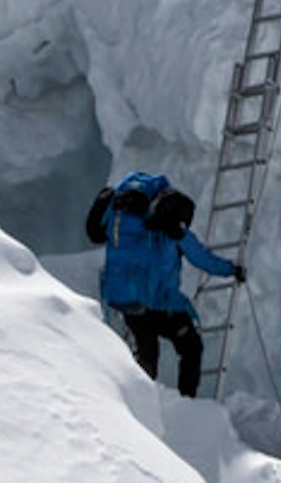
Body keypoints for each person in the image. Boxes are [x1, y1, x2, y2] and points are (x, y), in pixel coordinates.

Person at [84, 169, 240, 397]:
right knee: (191, 347)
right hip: (158, 303)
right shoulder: (170, 227)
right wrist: (232, 270)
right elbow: (201, 258)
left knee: (147, 356)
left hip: (124, 300)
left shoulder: (121, 214)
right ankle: (187, 403)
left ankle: (137, 408)